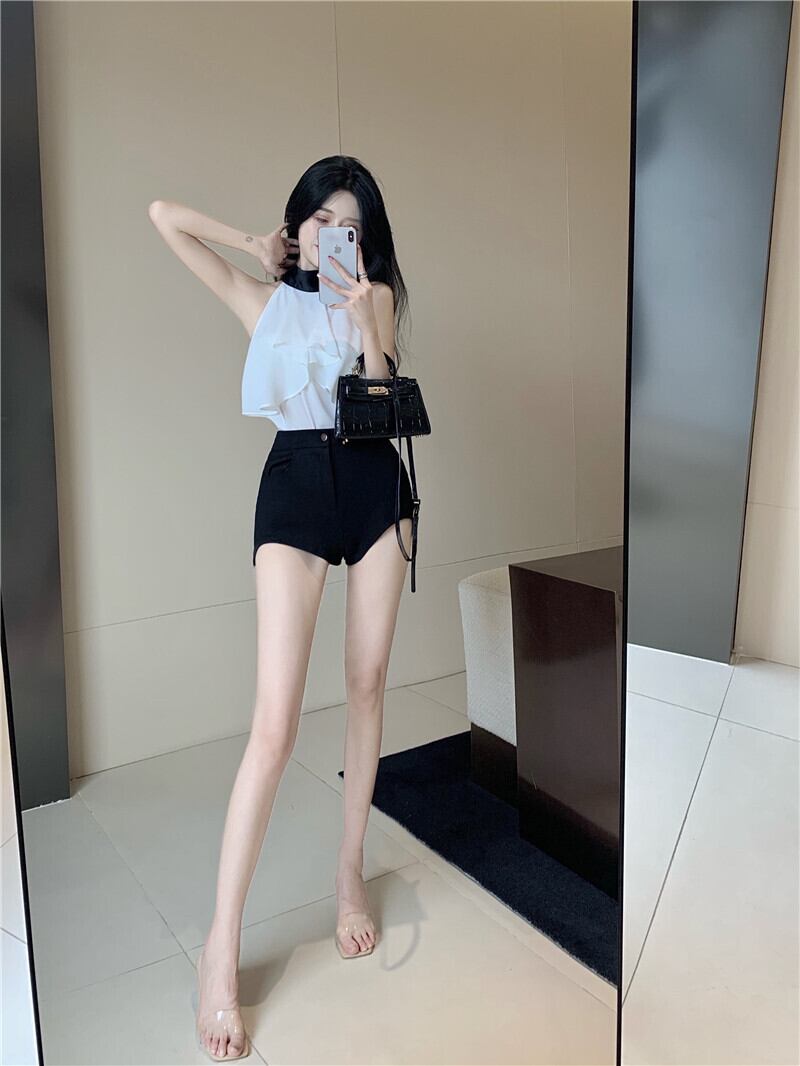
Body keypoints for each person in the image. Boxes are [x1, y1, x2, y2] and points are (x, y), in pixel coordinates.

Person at [148, 155, 415, 1061]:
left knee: (368, 685)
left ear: (366, 242)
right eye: (319, 220)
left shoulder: (375, 297)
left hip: (374, 483)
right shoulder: (262, 300)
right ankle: (219, 949)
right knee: (276, 723)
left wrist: (364, 317)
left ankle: (349, 877)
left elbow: (383, 391)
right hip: (296, 485)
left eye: (350, 227)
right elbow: (163, 214)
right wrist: (253, 244)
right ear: (297, 225)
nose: (333, 236)